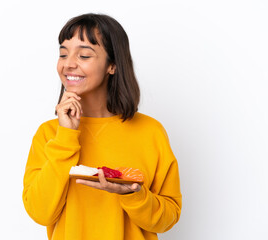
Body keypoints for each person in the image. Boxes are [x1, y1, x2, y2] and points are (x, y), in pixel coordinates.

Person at [22, 13, 182, 240]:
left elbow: (169, 218)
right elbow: (40, 213)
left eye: (84, 54)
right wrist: (66, 135)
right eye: (63, 53)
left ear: (113, 65)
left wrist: (134, 195)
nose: (69, 63)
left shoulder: (150, 131)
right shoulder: (49, 134)